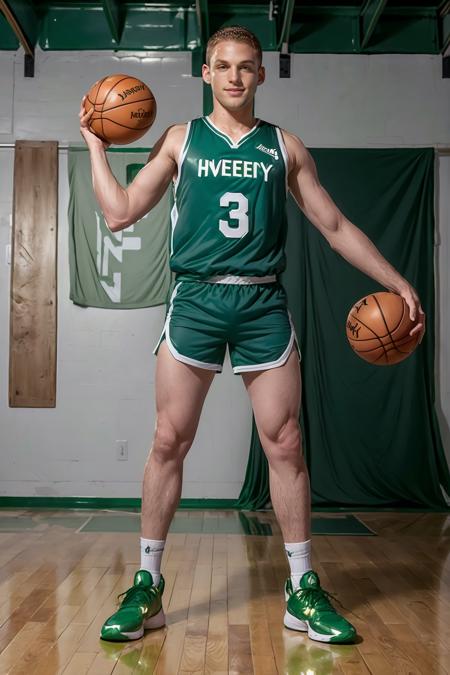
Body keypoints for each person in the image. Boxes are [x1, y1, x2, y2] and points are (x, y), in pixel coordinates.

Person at [79, 26, 425, 645]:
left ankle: (301, 588)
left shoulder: (283, 147)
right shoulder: (180, 139)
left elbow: (335, 223)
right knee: (168, 439)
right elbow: (119, 211)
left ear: (262, 75)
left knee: (285, 442)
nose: (235, 76)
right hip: (196, 299)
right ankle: (147, 585)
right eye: (223, 66)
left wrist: (396, 279)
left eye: (247, 66)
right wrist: (96, 146)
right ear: (205, 74)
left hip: (262, 297)